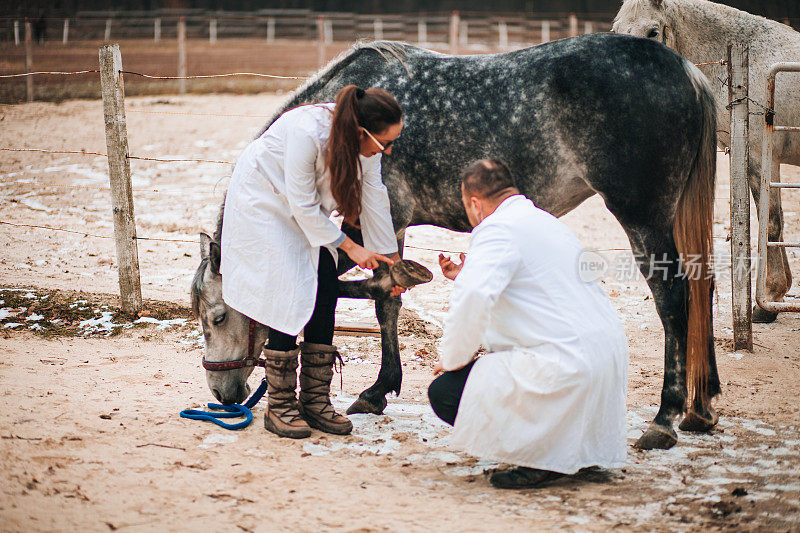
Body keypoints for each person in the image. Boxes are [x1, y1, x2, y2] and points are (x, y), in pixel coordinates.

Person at [428, 159, 629, 489]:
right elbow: (536, 287)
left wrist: (453, 359)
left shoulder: (494, 229)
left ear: (474, 203)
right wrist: (466, 272)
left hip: (567, 363)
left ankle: (541, 459)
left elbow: (474, 296)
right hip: (603, 358)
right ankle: (575, 454)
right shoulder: (543, 221)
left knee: (446, 392)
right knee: (479, 376)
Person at [221, 85, 405, 439]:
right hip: (265, 201)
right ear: (361, 132)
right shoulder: (307, 133)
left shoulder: (364, 143)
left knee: (322, 282)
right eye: (385, 143)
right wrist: (351, 247)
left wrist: (390, 261)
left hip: (302, 209)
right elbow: (302, 205)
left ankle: (315, 401)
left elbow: (374, 191)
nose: (389, 149)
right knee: (289, 288)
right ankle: (280, 407)